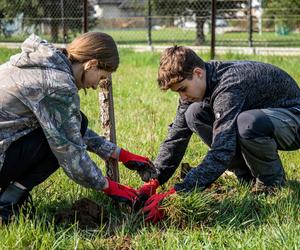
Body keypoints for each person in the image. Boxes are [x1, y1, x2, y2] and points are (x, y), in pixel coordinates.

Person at [0, 32, 157, 224]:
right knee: (60, 143)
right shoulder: (58, 86)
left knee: (75, 123)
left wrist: (118, 153)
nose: (95, 86)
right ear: (91, 64)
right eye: (100, 77)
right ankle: (5, 205)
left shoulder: (42, 65)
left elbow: (66, 127)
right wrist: (108, 186)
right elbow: (70, 152)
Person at [137, 45, 300, 223]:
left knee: (246, 122)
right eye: (178, 92)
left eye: (183, 89)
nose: (182, 97)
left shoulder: (229, 86)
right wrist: (155, 179)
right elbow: (177, 136)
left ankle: (271, 185)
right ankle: (247, 178)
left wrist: (182, 189)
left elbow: (222, 150)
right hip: (265, 119)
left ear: (198, 73)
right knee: (193, 113)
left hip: (292, 120)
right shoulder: (199, 85)